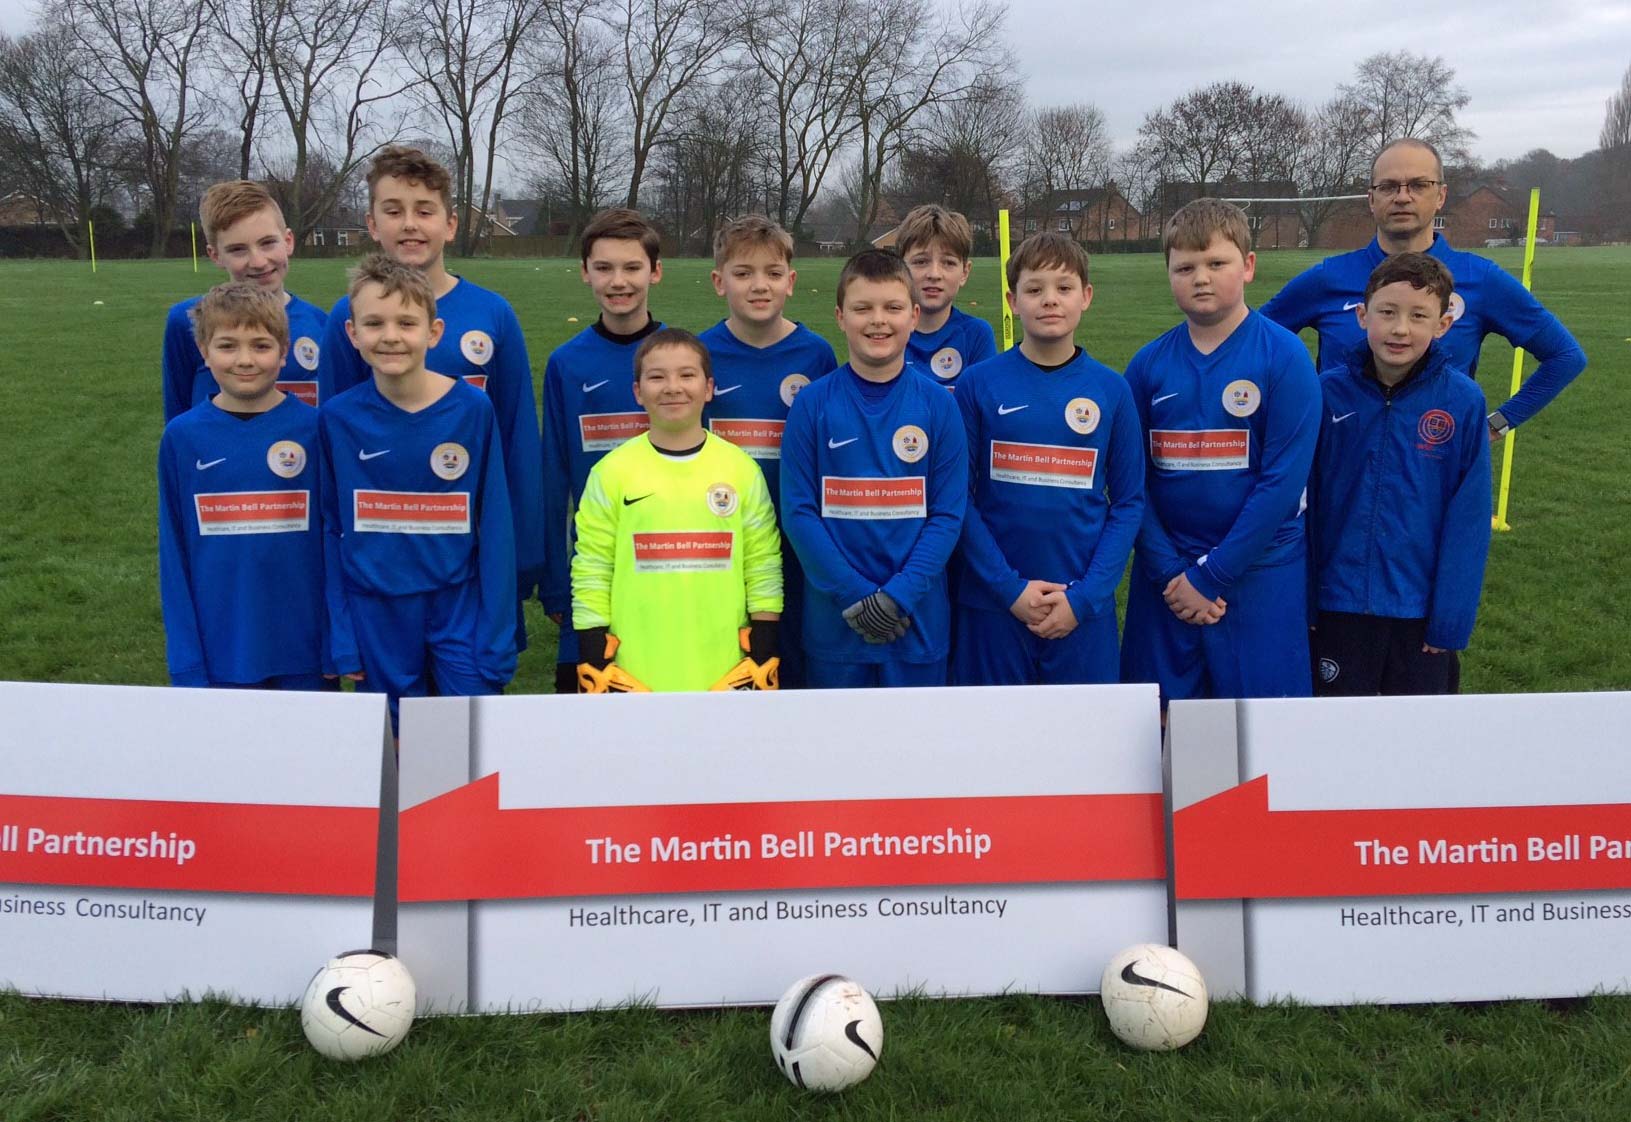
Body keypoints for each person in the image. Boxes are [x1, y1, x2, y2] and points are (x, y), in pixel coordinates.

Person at [320, 146, 544, 629]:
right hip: (383, 555)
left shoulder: (493, 313)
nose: (409, 225)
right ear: (372, 223)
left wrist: (523, 551)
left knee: (468, 696)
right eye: (393, 210)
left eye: (425, 211)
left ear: (450, 224)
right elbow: (331, 443)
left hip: (473, 544)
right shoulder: (348, 316)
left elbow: (516, 435)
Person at [1121, 199, 1321, 702]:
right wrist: (1171, 571)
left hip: (1257, 570)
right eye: (1185, 267)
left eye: (1216, 263)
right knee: (1157, 729)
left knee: (1259, 732)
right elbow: (1130, 484)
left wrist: (1215, 574)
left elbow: (1282, 483)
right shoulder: (1147, 366)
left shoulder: (1284, 356)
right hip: (1166, 576)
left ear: (1248, 266)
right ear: (1168, 274)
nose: (1201, 278)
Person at [1261, 137, 1586, 440]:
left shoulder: (1481, 279)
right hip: (1336, 475)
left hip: (1432, 478)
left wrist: (1495, 425)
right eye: (1388, 186)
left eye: (1418, 185)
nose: (1402, 196)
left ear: (1441, 196)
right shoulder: (1328, 278)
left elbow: (1565, 355)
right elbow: (1249, 343)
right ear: (1371, 199)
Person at [319, 254, 516, 730]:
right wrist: (342, 635)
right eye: (374, 323)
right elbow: (329, 529)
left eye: (407, 322)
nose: (390, 335)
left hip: (458, 605)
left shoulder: (473, 410)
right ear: (352, 334)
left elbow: (494, 528)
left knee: (465, 741)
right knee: (396, 748)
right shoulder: (336, 419)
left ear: (434, 331)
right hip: (376, 609)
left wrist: (497, 632)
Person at [953, 233, 1143, 686]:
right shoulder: (977, 385)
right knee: (993, 741)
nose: (1050, 301)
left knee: (1084, 745)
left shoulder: (1112, 390)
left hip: (1080, 607)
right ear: (1012, 300)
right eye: (1034, 289)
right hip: (994, 604)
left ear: (1086, 297)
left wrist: (1087, 597)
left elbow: (1130, 502)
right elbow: (957, 497)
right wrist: (1007, 588)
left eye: (1064, 288)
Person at [780, 249, 967, 688]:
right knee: (836, 752)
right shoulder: (812, 404)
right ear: (840, 316)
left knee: (915, 752)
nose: (878, 320)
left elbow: (947, 515)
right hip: (835, 625)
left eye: (893, 308)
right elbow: (799, 512)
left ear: (915, 315)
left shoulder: (938, 405)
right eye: (863, 308)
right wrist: (856, 594)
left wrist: (898, 596)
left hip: (916, 623)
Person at [1309, 253, 1491, 695]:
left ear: (1443, 325)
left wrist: (1448, 621)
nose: (1400, 329)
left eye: (1418, 316)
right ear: (1361, 315)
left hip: (1419, 614)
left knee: (1419, 747)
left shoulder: (1463, 402)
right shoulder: (1324, 393)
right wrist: (1306, 603)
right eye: (1387, 313)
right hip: (1337, 605)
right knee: (1333, 737)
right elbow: (1302, 506)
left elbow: (1468, 522)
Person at [572, 328, 783, 693]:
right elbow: (592, 564)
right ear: (638, 392)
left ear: (709, 388)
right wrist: (593, 649)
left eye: (687, 375)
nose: (672, 387)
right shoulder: (610, 472)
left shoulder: (741, 470)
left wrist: (764, 643)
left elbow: (762, 560)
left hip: (725, 665)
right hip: (634, 666)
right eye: (657, 377)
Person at [157, 282, 326, 688]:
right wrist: (186, 659)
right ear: (204, 351)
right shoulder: (183, 437)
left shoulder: (316, 430)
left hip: (305, 652)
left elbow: (334, 543)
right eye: (228, 346)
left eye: (261, 346)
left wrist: (337, 643)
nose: (245, 360)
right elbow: (173, 555)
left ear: (284, 352)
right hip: (220, 652)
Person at [699, 214, 838, 687]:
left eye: (773, 273)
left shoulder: (817, 355)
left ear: (791, 282)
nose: (760, 286)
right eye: (743, 273)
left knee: (794, 670)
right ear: (719, 282)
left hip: (798, 546)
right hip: (723, 545)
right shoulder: (698, 356)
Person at [539, 207, 666, 693]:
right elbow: (553, 478)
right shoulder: (566, 364)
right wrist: (555, 578)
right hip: (594, 571)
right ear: (585, 273)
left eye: (632, 267)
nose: (619, 281)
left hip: (670, 565)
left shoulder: (680, 355)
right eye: (605, 268)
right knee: (586, 723)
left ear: (654, 271)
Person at [161, 181, 328, 421]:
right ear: (215, 255)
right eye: (238, 249)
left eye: (268, 243)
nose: (258, 261)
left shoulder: (321, 323)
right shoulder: (187, 320)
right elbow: (177, 416)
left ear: (288, 241)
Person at [895, 205, 997, 388]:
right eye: (921, 261)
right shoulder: (886, 332)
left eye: (948, 263)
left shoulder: (976, 335)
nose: (934, 274)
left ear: (965, 272)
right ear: (899, 268)